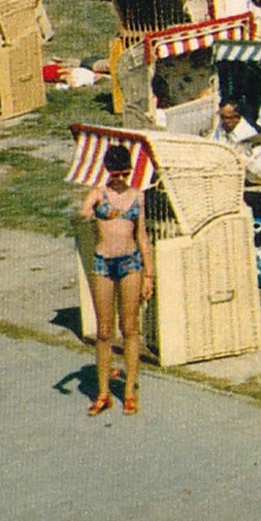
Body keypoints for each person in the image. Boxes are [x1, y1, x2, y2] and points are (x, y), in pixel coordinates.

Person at [79, 145, 154, 416]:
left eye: (125, 173)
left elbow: (142, 238)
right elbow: (81, 213)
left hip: (131, 262)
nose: (120, 179)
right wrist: (95, 211)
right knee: (103, 330)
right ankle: (103, 393)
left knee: (130, 328)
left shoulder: (137, 197)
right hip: (104, 262)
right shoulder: (98, 194)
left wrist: (149, 274)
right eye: (116, 173)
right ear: (108, 171)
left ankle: (130, 391)